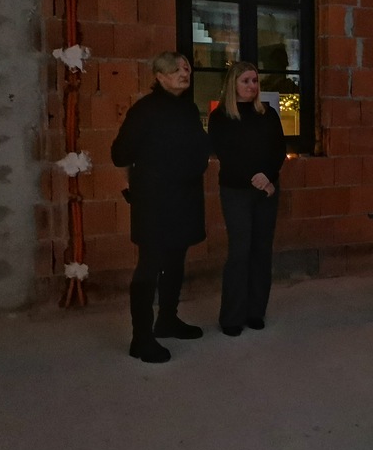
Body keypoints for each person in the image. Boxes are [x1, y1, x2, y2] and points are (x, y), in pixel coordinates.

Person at [111, 52, 211, 363]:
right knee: (150, 264)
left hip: (184, 198)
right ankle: (141, 338)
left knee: (176, 259)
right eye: (177, 69)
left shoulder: (188, 108)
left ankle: (167, 319)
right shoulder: (145, 110)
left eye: (187, 68)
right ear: (160, 75)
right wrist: (139, 180)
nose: (185, 73)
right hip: (154, 202)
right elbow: (120, 154)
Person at [208, 62, 287, 337]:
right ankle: (232, 316)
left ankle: (255, 311)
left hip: (267, 189)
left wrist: (268, 176)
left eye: (255, 81)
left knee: (261, 250)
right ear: (233, 84)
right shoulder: (220, 117)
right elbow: (226, 154)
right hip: (236, 191)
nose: (252, 86)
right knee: (240, 251)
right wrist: (256, 178)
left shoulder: (268, 113)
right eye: (246, 81)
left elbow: (279, 149)